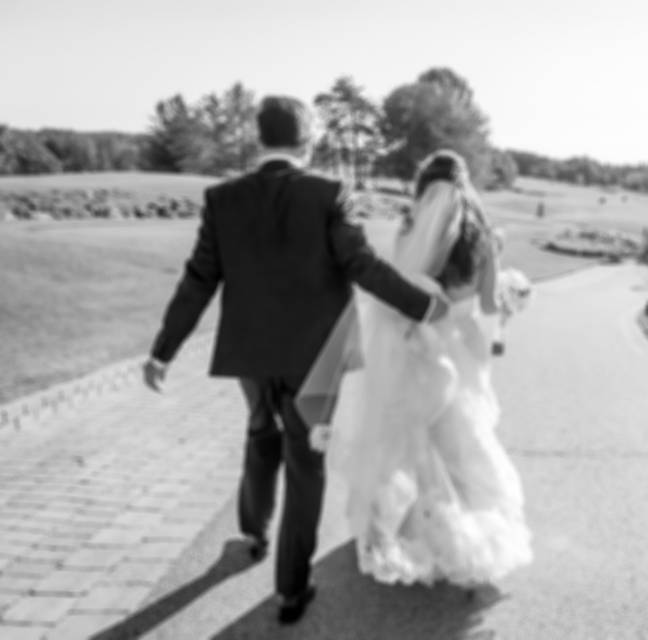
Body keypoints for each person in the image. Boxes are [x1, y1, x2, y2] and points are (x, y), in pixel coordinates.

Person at [142, 95, 448, 624]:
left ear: (260, 138)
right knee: (306, 464)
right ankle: (290, 589)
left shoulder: (223, 198)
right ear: (306, 139)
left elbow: (199, 280)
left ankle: (253, 532)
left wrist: (162, 351)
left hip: (250, 355)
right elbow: (361, 264)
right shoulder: (328, 193)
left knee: (261, 432)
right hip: (317, 359)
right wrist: (422, 305)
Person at [306, 150, 532, 589]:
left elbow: (402, 286)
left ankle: (397, 530)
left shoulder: (409, 226)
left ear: (423, 186)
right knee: (459, 445)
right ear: (466, 186)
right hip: (457, 354)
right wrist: (506, 296)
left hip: (410, 350)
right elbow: (484, 307)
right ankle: (458, 534)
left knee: (404, 443)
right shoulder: (483, 240)